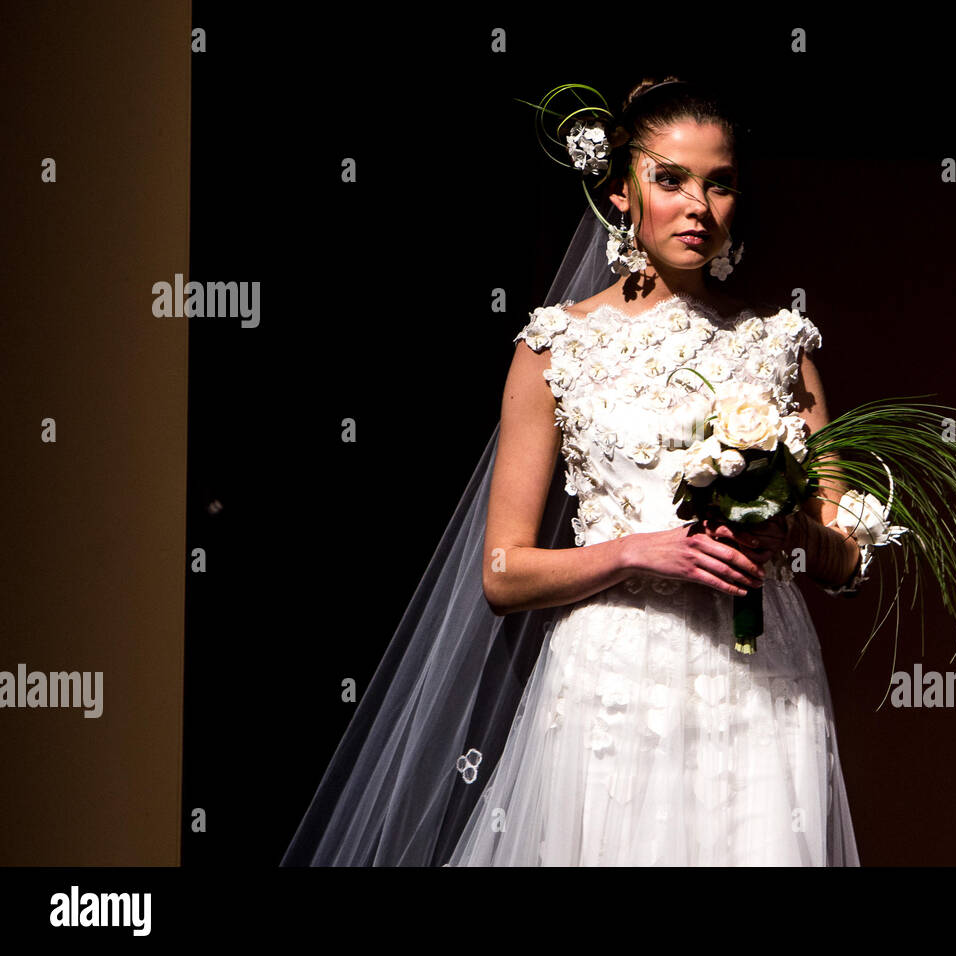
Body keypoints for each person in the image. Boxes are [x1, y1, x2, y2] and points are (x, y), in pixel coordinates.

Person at [281, 77, 869, 867]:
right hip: (614, 685)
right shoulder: (555, 347)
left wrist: (785, 525)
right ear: (622, 191)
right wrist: (635, 551)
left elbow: (846, 558)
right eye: (671, 180)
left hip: (759, 678)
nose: (699, 206)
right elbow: (503, 572)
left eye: (720, 183)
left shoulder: (779, 345)